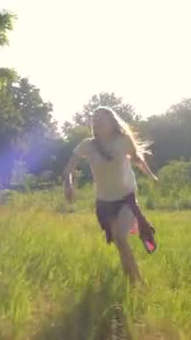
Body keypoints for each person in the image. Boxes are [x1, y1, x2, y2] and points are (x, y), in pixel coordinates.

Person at [62, 106, 158, 284]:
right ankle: (130, 282)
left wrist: (151, 176)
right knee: (121, 244)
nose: (96, 120)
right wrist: (68, 184)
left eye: (100, 117)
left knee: (121, 237)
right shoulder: (87, 145)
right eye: (94, 118)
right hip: (104, 203)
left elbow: (137, 160)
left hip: (126, 198)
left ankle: (139, 283)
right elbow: (69, 168)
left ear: (112, 122)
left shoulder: (123, 140)